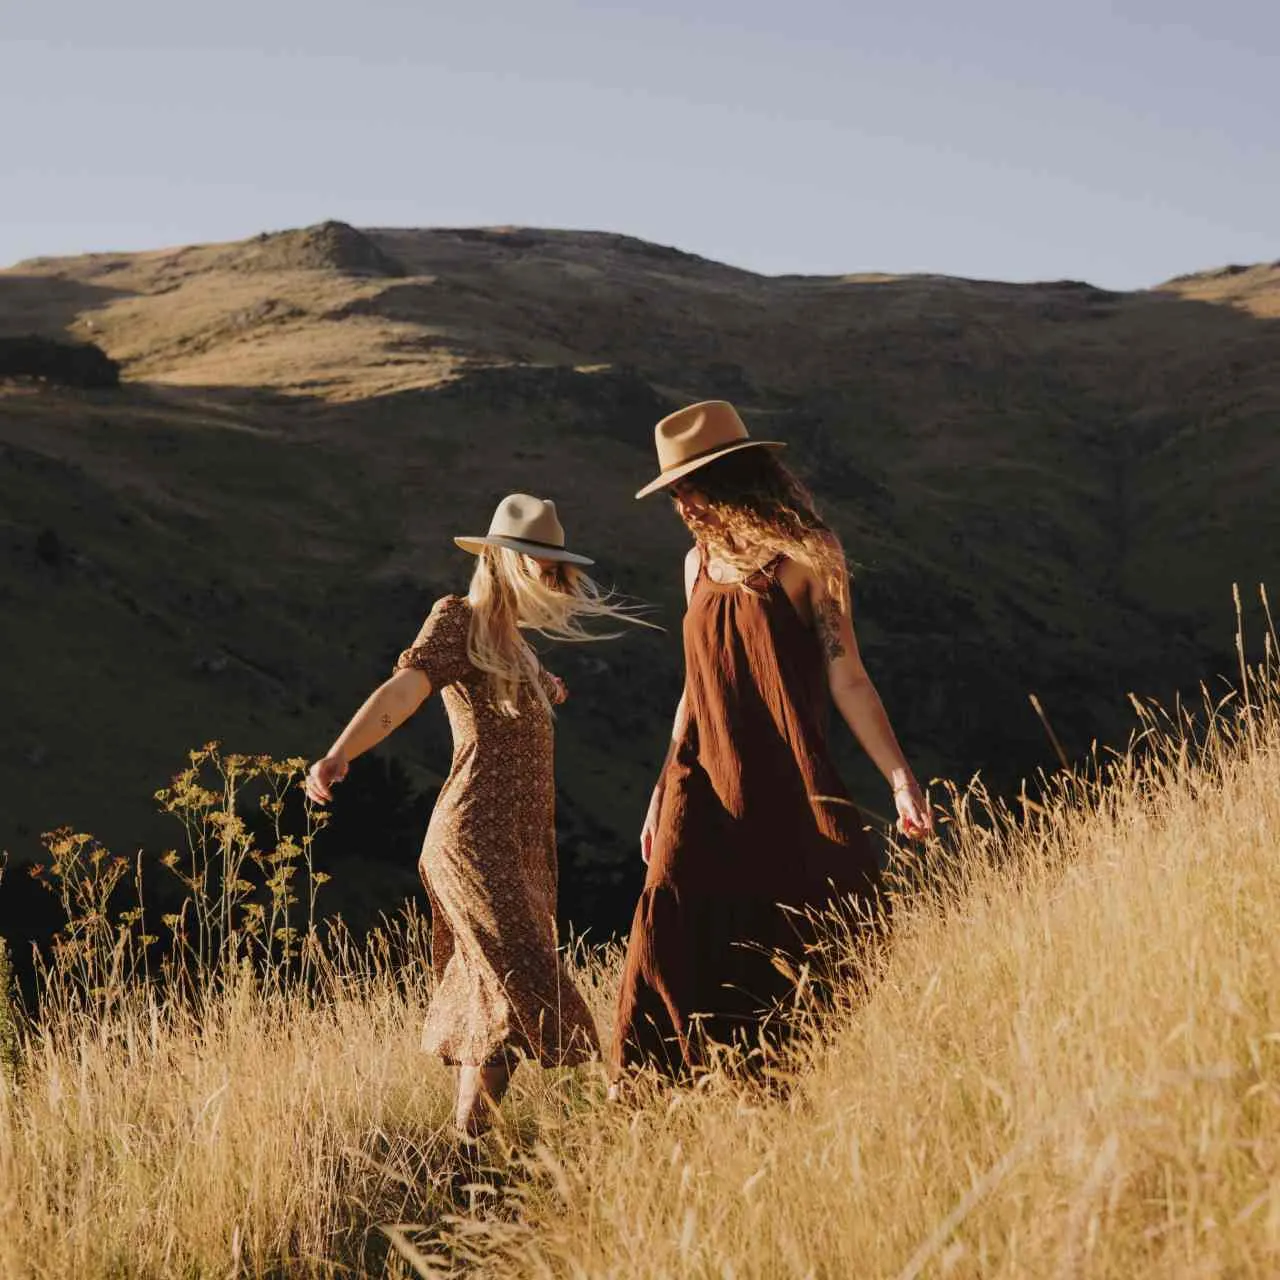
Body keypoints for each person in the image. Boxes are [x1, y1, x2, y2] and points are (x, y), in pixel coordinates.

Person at [612, 401, 932, 1078]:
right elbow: (693, 686)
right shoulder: (695, 565)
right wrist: (657, 793)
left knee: (809, 918)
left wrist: (899, 778)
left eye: (687, 487)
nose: (680, 504)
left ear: (730, 477)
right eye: (673, 492)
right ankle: (651, 1093)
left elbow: (848, 676)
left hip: (785, 775)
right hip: (701, 780)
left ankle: (793, 1075)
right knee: (666, 922)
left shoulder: (809, 554)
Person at [306, 494, 637, 1137]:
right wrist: (339, 753)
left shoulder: (519, 649)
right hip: (473, 836)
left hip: (522, 843)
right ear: (505, 561)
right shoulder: (458, 619)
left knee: (495, 997)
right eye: (538, 562)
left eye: (555, 565)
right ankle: (617, 1105)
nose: (549, 576)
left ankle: (466, 1150)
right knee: (526, 976)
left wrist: (543, 688)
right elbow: (405, 688)